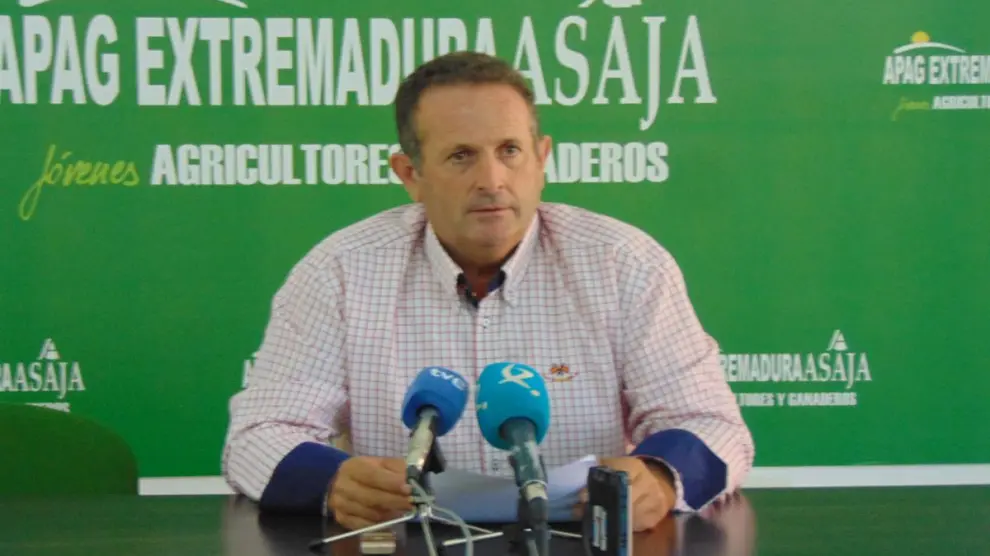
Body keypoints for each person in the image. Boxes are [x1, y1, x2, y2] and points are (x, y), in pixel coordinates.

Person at [221, 51, 754, 533]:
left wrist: (659, 478)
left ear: (542, 159)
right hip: (411, 541)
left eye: (510, 150)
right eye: (461, 156)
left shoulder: (624, 264)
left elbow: (709, 422)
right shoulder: (340, 272)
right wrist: (333, 481)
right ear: (410, 174)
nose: (493, 180)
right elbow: (257, 435)